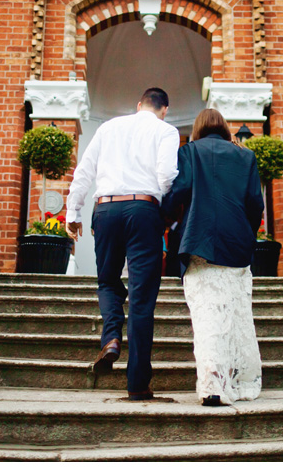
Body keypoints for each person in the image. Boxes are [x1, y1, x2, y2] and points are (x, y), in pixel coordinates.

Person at [66, 87, 179, 401]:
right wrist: (164, 213)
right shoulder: (167, 131)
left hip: (105, 209)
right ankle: (137, 383)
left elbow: (84, 171)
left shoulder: (108, 127)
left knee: (107, 281)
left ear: (138, 104)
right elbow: (168, 176)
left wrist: (73, 211)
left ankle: (112, 336)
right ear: (164, 109)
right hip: (144, 210)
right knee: (142, 300)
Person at [162, 108, 264, 407]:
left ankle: (212, 386)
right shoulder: (246, 156)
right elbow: (255, 204)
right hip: (237, 242)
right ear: (224, 128)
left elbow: (178, 192)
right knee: (236, 314)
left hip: (201, 241)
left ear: (197, 129)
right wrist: (248, 232)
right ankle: (239, 380)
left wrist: (164, 218)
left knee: (206, 314)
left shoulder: (190, 151)